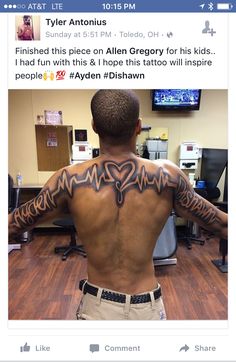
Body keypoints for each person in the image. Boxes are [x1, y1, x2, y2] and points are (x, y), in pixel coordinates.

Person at [8, 90, 228, 320]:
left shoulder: (68, 181)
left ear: (94, 126)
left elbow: (12, 225)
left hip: (97, 308)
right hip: (147, 309)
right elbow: (222, 226)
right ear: (138, 126)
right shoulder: (168, 177)